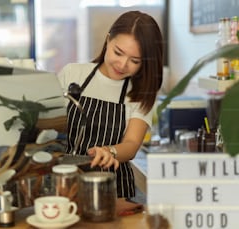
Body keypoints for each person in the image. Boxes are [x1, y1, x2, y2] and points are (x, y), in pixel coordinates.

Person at [57, 10, 163, 198]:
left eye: (134, 61)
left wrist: (109, 151)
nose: (122, 65)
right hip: (65, 184)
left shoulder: (140, 92)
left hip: (112, 191)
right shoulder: (72, 74)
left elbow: (131, 144)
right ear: (108, 40)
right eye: (118, 52)